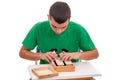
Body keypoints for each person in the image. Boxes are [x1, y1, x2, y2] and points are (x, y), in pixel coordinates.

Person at [19, 1, 99, 64]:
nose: (58, 31)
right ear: (49, 17)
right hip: (47, 69)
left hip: (73, 70)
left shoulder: (78, 29)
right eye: (54, 26)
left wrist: (77, 54)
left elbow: (95, 53)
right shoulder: (38, 28)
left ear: (69, 19)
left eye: (63, 27)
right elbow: (22, 53)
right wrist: (41, 56)